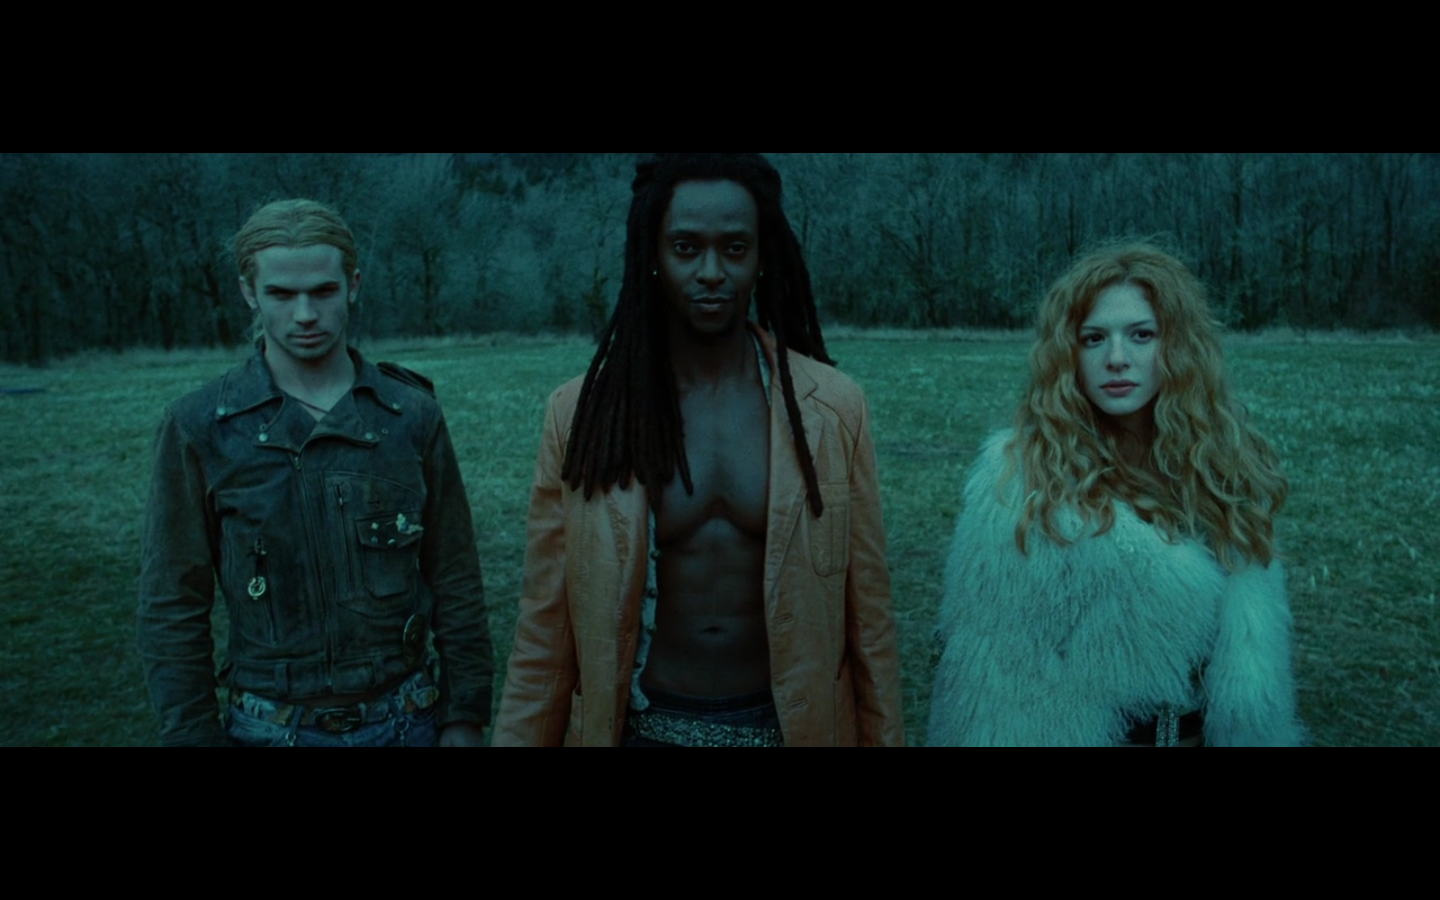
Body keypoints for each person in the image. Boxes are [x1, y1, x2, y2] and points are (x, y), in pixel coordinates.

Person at [494, 153, 904, 747]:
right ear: (653, 254)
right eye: (686, 248)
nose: (711, 272)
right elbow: (545, 630)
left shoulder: (832, 409)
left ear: (762, 257)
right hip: (642, 730)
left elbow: (870, 623)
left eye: (734, 248)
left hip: (788, 730)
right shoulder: (584, 414)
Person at [137, 199, 493, 747]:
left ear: (353, 285)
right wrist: (192, 735)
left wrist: (463, 716)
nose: (305, 315)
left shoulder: (409, 415)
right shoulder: (201, 426)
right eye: (281, 294)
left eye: (323, 291)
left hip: (407, 720)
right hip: (268, 726)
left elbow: (456, 575)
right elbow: (172, 603)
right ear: (249, 292)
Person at [928, 243, 1304, 747]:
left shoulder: (1223, 472)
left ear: (1178, 345)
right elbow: (988, 687)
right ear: (1069, 353)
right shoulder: (1022, 485)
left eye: (1142, 335)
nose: (1118, 359)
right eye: (1094, 338)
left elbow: (1256, 660)